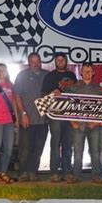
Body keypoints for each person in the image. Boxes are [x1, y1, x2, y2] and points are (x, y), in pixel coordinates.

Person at [41, 52, 77, 183]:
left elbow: (77, 93)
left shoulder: (72, 75)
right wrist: (52, 92)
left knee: (68, 143)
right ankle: (54, 172)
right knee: (55, 143)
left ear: (66, 61)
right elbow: (43, 94)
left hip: (68, 113)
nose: (61, 62)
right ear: (55, 62)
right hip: (55, 113)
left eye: (63, 60)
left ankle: (67, 172)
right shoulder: (50, 76)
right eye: (58, 60)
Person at [65, 62, 102, 184]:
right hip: (78, 125)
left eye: (89, 71)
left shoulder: (98, 89)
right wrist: (72, 121)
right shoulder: (73, 88)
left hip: (93, 125)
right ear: (81, 72)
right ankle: (76, 175)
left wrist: (97, 122)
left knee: (95, 151)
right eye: (85, 70)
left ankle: (96, 175)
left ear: (93, 73)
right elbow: (67, 105)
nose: (87, 73)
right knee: (77, 152)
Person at [13, 53, 49, 182]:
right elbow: (16, 96)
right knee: (25, 149)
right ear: (28, 62)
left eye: (38, 61)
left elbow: (54, 93)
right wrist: (22, 114)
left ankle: (33, 172)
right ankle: (23, 172)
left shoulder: (47, 75)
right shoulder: (22, 75)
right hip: (27, 119)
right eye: (33, 61)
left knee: (38, 149)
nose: (36, 64)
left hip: (43, 120)